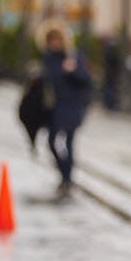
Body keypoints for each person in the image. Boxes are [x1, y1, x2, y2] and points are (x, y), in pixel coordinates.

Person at [39, 23, 92, 199]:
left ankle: (68, 179)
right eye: (51, 40)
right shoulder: (48, 59)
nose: (54, 43)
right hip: (55, 107)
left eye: (57, 39)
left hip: (73, 106)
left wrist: (72, 71)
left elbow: (86, 80)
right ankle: (64, 174)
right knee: (52, 141)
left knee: (69, 142)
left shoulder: (73, 57)